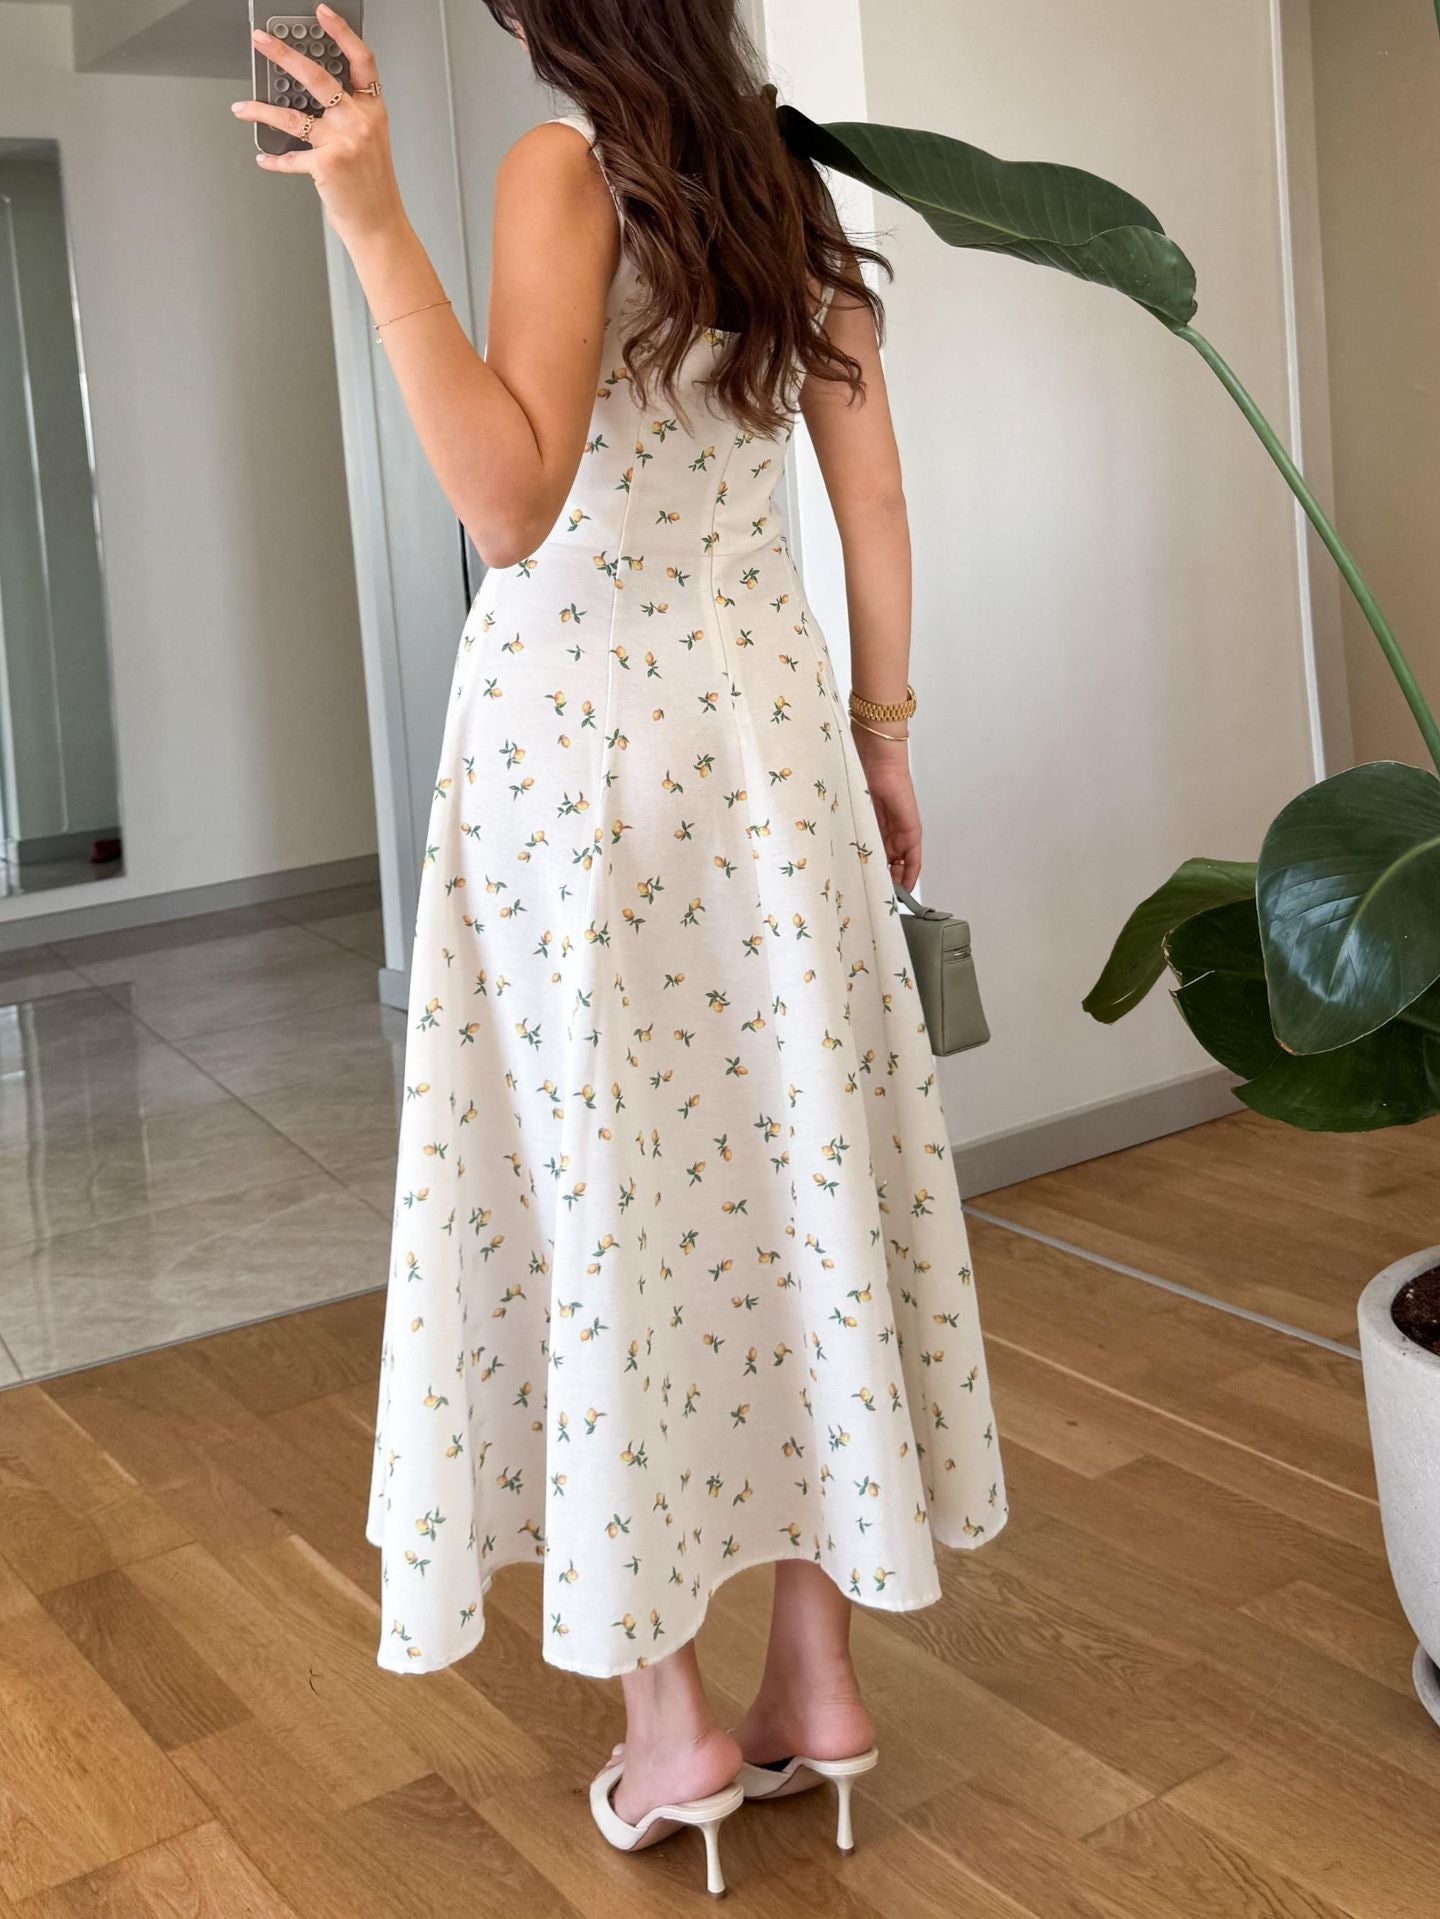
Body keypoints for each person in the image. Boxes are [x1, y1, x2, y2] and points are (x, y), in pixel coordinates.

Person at [235, 0, 1006, 1895]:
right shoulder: (787, 189)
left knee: (612, 1212)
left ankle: (670, 1731)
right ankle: (814, 1679)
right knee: (794, 1188)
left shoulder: (560, 172)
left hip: (587, 779)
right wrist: (885, 738)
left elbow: (513, 502)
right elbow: (875, 494)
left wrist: (367, 217)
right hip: (775, 755)